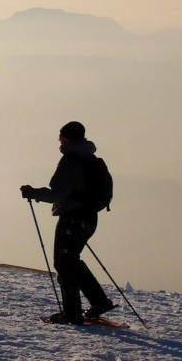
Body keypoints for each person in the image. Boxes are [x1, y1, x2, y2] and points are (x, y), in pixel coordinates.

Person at [20, 121, 116, 324]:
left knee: (63, 262)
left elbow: (58, 194)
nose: (59, 139)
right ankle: (98, 301)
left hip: (73, 217)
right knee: (70, 260)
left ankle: (73, 312)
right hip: (89, 217)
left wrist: (33, 193)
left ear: (67, 138)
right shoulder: (88, 158)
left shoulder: (70, 161)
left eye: (61, 135)